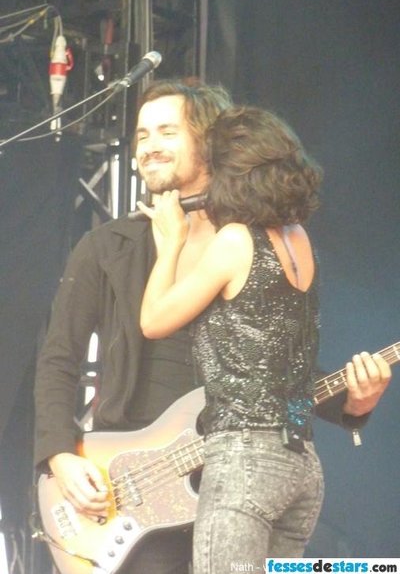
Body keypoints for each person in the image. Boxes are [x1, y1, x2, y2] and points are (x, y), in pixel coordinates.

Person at [34, 83, 390, 574]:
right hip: (132, 487)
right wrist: (59, 454)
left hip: (233, 477)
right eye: (141, 134)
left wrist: (353, 405)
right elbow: (59, 358)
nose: (149, 145)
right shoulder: (107, 246)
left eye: (167, 131)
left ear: (208, 142)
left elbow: (273, 372)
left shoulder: (248, 240)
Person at [138, 104, 392, 571]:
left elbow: (153, 320)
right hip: (302, 463)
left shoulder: (236, 240)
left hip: (244, 460)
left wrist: (170, 240)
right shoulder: (298, 239)